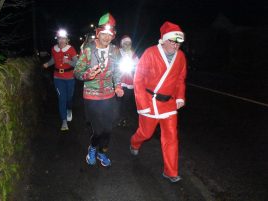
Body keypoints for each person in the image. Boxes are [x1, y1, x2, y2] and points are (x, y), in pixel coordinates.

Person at [129, 21, 187, 183]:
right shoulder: (150, 53)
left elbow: (180, 78)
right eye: (173, 41)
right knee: (145, 133)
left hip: (169, 104)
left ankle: (170, 171)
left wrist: (180, 96)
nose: (176, 45)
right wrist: (142, 104)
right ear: (164, 39)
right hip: (150, 101)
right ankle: (134, 143)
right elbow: (138, 79)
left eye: (179, 42)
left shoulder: (181, 57)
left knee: (171, 137)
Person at [74, 13, 123, 167]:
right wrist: (87, 75)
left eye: (110, 35)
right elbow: (77, 72)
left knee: (108, 130)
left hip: (109, 96)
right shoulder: (88, 50)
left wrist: (118, 85)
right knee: (98, 131)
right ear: (98, 33)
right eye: (104, 34)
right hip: (92, 97)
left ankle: (102, 152)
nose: (107, 38)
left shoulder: (115, 50)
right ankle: (93, 148)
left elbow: (117, 71)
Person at [43, 29, 78, 131]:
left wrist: (68, 61)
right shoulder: (54, 49)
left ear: (67, 40)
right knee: (62, 99)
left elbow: (77, 63)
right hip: (58, 77)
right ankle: (64, 121)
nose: (62, 41)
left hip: (70, 77)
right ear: (57, 40)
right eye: (59, 39)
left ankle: (69, 109)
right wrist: (47, 64)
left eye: (64, 39)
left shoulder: (71, 49)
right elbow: (53, 59)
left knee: (69, 98)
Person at [117, 35, 139, 127]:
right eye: (125, 43)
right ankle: (116, 117)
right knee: (118, 101)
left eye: (129, 43)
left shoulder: (133, 54)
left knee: (126, 101)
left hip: (129, 81)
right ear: (122, 44)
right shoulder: (118, 52)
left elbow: (139, 65)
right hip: (119, 80)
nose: (127, 45)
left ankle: (123, 118)